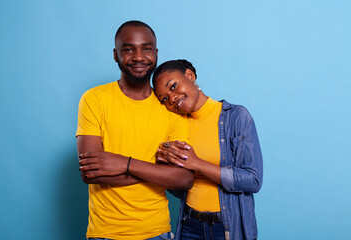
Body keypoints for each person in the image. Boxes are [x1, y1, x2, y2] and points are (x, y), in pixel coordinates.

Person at [76, 22, 194, 240]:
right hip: (105, 233)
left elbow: (184, 178)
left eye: (146, 49)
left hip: (157, 231)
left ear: (156, 53)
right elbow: (91, 173)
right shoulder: (94, 99)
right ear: (115, 55)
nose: (139, 57)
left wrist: (124, 163)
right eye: (129, 49)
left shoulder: (171, 107)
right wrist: (158, 171)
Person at [153, 59, 263, 240]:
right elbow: (183, 188)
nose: (171, 99)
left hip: (227, 228)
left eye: (173, 87)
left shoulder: (236, 117)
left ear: (190, 76)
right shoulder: (176, 128)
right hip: (190, 226)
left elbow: (253, 180)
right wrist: (165, 170)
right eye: (164, 98)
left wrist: (197, 163)